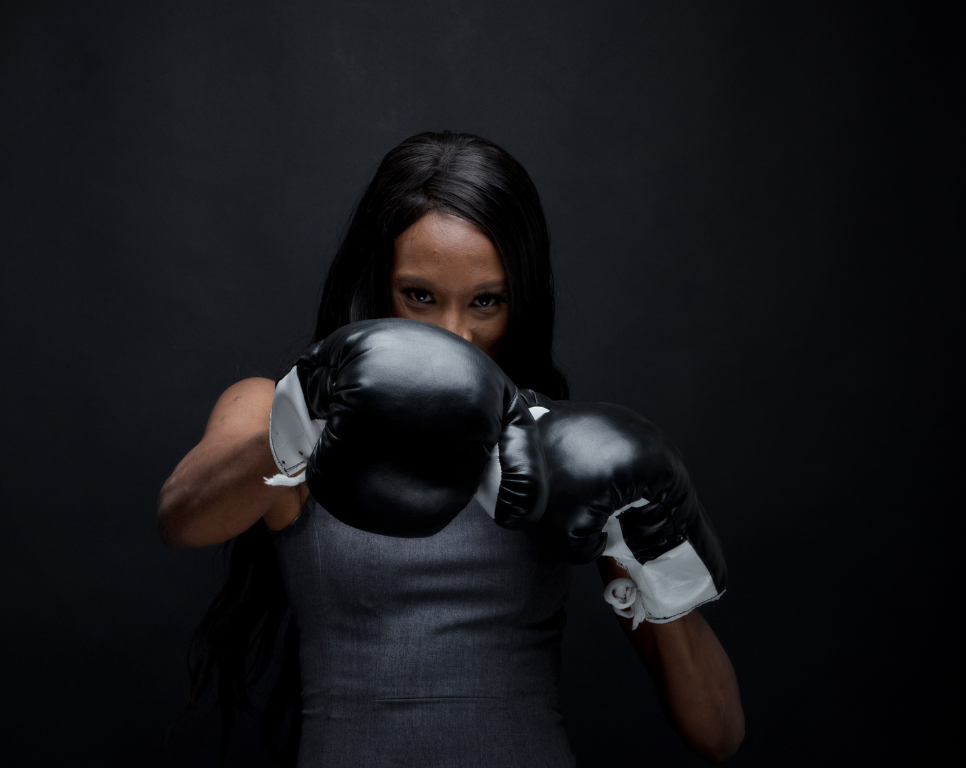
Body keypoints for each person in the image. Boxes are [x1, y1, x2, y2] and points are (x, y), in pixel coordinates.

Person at [157, 131, 744, 766]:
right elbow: (181, 518)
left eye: (486, 302)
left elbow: (716, 733)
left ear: (520, 299)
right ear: (378, 280)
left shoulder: (555, 451)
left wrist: (657, 553)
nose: (455, 336)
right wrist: (305, 416)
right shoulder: (290, 407)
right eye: (420, 297)